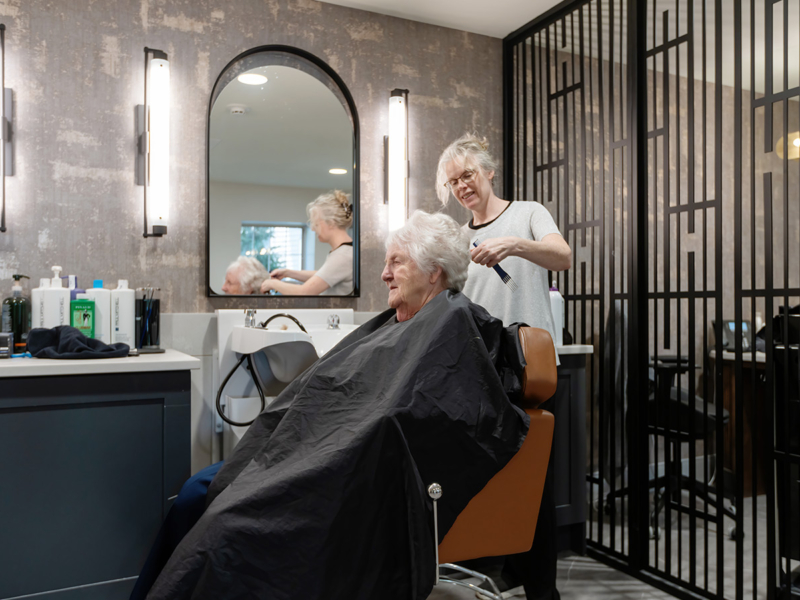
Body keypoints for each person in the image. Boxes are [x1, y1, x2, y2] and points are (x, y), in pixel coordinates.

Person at [139, 211, 533, 600]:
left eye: (396, 261)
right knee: (195, 493)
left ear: (433, 271)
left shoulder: (452, 321)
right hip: (310, 455)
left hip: (339, 469)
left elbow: (401, 417)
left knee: (225, 524)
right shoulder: (396, 325)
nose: (383, 274)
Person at [437, 133, 572, 600]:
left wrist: (513, 245)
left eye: (468, 175)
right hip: (481, 373)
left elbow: (563, 256)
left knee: (534, 481)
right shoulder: (458, 238)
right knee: (490, 477)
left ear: (489, 172)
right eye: (454, 181)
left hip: (530, 369)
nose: (462, 186)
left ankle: (542, 589)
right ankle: (506, 569)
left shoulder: (528, 213)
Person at [260, 190, 354, 295]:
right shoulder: (343, 252)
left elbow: (304, 292)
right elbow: (324, 275)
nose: (313, 229)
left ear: (331, 223)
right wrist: (288, 273)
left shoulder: (343, 256)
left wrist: (272, 284)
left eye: (316, 224)